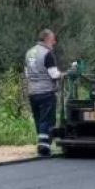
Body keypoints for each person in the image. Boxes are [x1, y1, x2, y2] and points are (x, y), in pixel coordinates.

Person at [24, 29, 63, 157]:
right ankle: (44, 147)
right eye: (53, 39)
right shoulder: (47, 53)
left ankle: (41, 142)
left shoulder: (29, 53)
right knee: (46, 119)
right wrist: (63, 74)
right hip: (46, 91)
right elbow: (54, 74)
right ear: (47, 39)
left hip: (32, 92)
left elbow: (27, 73)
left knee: (38, 118)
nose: (54, 42)